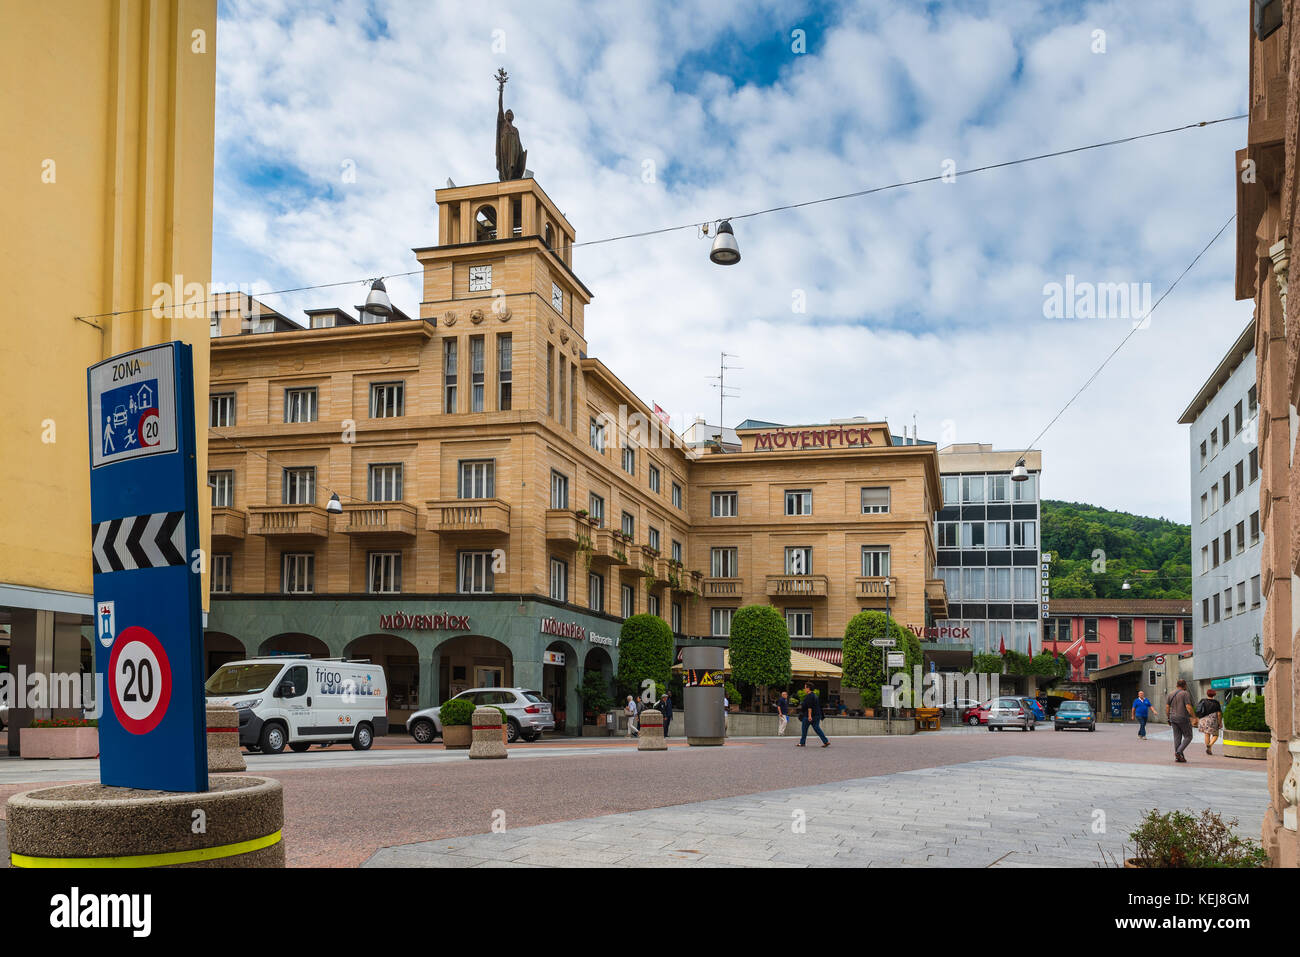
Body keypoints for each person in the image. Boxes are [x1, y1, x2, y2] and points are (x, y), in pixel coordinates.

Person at [1165, 679, 1197, 763]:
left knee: (1177, 737)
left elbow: (1167, 707)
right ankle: (1178, 752)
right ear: (1185, 685)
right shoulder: (1185, 693)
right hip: (1183, 717)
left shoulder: (1170, 694)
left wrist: (1168, 718)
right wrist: (1194, 717)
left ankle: (1178, 757)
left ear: (1176, 685)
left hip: (1173, 717)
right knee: (1188, 736)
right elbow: (1188, 706)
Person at [797, 682, 829, 748]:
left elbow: (809, 707)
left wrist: (809, 716)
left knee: (804, 729)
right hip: (817, 715)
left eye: (805, 687)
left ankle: (802, 743)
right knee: (817, 728)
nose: (804, 689)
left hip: (809, 716)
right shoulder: (815, 695)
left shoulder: (809, 696)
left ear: (808, 688)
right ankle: (826, 741)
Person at [1196, 688, 1223, 755]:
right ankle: (1210, 745)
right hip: (1212, 720)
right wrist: (1220, 722)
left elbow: (1199, 710)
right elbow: (1219, 714)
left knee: (1207, 734)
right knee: (1216, 735)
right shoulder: (1216, 702)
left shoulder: (1203, 701)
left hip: (1203, 720)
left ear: (1207, 694)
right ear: (1214, 694)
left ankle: (1209, 749)